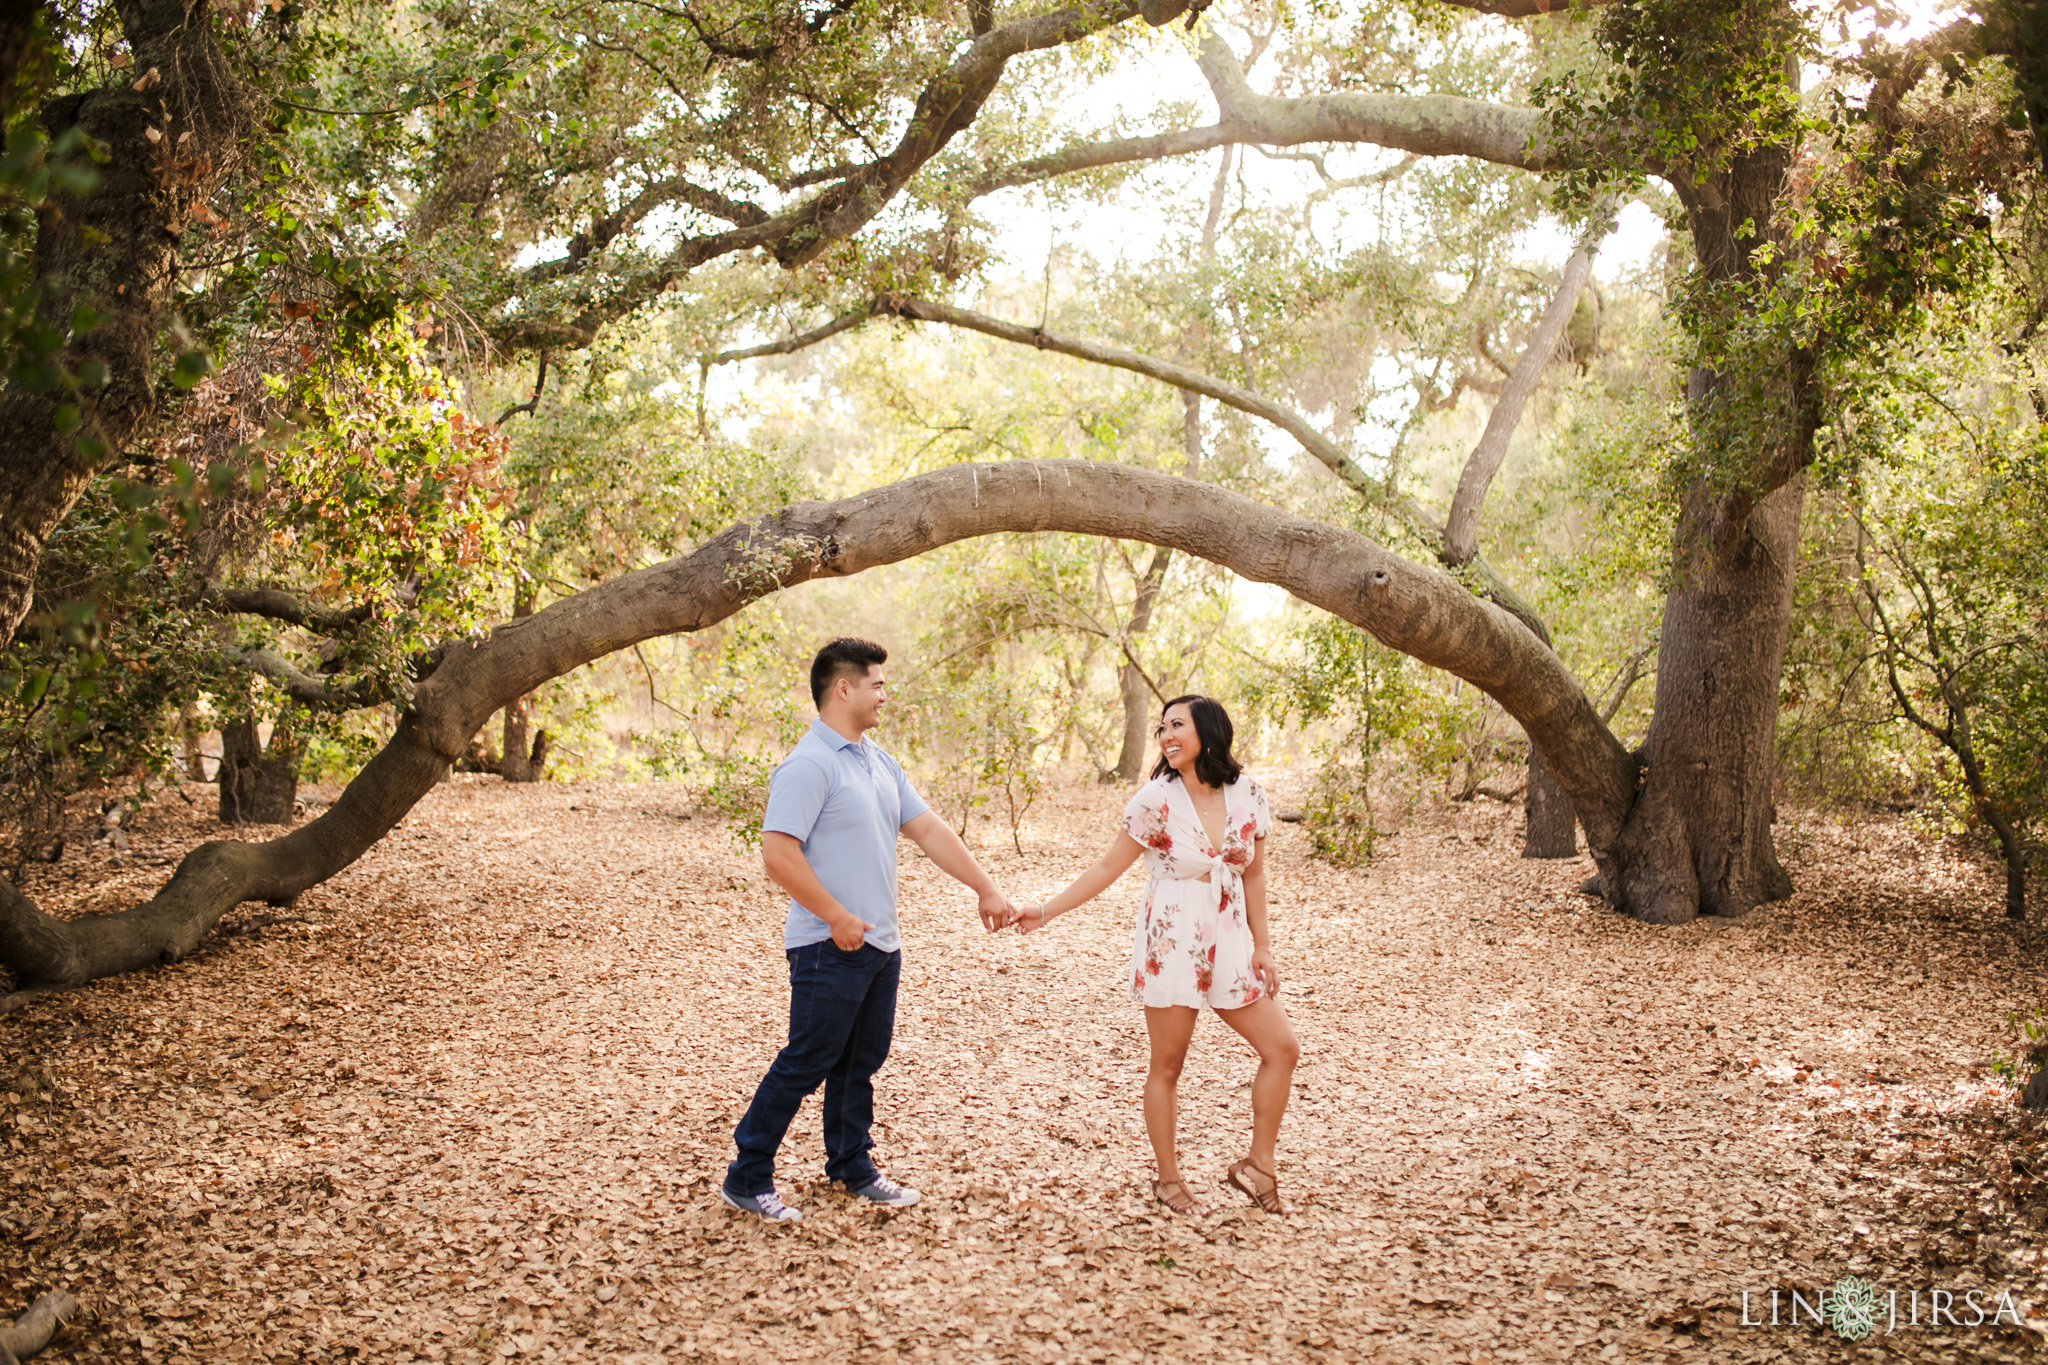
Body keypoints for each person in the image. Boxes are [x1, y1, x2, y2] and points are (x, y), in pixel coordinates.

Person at [722, 637, 1019, 1223]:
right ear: (844, 688)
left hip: (880, 944)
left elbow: (929, 831)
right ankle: (747, 1174)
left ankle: (851, 1166)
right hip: (825, 945)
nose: (885, 693)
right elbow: (778, 854)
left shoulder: (877, 761)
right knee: (808, 1059)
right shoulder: (809, 764)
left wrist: (985, 887)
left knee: (860, 1061)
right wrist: (834, 916)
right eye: (877, 683)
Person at [1017, 694, 1300, 1217]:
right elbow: (1107, 869)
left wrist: (1264, 946)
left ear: (1208, 731)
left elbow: (1254, 873)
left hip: (1232, 941)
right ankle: (1169, 1182)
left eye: (1178, 726)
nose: (1167, 736)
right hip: (1171, 942)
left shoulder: (1249, 794)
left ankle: (1259, 1167)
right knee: (1168, 1065)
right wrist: (1045, 910)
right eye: (1162, 729)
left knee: (1283, 1048)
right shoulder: (1154, 799)